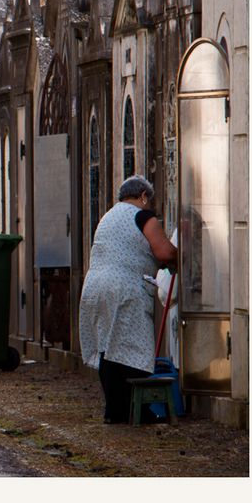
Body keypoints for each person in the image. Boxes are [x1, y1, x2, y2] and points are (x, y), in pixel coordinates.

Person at [79, 175, 178, 424]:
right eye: (148, 199)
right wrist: (179, 253)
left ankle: (114, 410)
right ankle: (138, 410)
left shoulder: (108, 216)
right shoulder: (143, 216)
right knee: (134, 348)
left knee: (108, 350)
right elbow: (164, 251)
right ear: (143, 196)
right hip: (123, 289)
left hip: (94, 286)